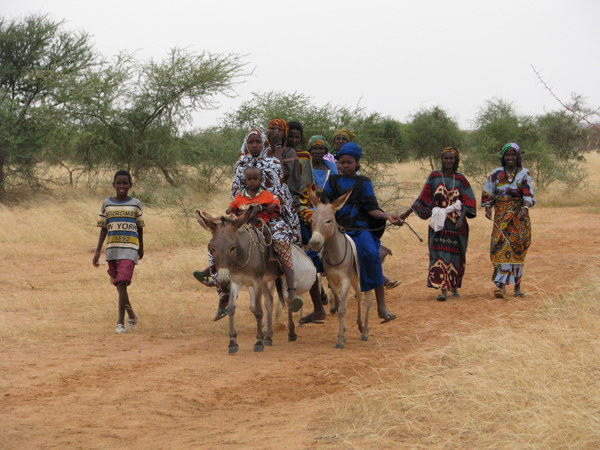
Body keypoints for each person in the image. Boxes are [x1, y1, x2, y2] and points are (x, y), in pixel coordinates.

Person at [319, 142, 400, 323]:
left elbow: (372, 209)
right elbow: (325, 204)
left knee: (371, 255)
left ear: (357, 163)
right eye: (342, 162)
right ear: (337, 163)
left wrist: (387, 215)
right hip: (338, 228)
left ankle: (381, 307)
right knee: (313, 253)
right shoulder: (332, 181)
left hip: (359, 227)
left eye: (349, 162)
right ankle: (318, 303)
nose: (345, 166)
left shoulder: (364, 182)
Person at [399, 147, 476, 301]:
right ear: (442, 160)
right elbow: (423, 198)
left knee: (456, 255)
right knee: (439, 254)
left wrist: (463, 216)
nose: (448, 161)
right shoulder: (434, 176)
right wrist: (405, 214)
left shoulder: (461, 179)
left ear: (456, 161)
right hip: (438, 224)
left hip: (456, 225)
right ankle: (443, 289)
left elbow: (470, 200)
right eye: (445, 158)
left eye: (451, 159)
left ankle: (453, 286)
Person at [227, 165, 303, 311]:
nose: (252, 182)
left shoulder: (266, 194)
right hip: (244, 225)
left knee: (273, 237)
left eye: (255, 179)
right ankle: (216, 270)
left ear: (261, 180)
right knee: (225, 240)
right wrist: (230, 209)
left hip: (262, 223)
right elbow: (233, 204)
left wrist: (269, 207)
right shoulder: (240, 195)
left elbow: (275, 201)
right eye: (249, 179)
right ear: (245, 180)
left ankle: (290, 289)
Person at [93, 170, 144, 333]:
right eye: (119, 183)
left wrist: (141, 247)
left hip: (130, 248)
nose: (122, 186)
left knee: (122, 283)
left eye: (125, 183)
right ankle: (132, 315)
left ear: (130, 185)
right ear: (113, 184)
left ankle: (120, 323)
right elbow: (103, 228)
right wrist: (98, 251)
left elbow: (139, 227)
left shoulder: (136, 203)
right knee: (119, 286)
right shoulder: (107, 203)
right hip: (112, 248)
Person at [481, 142, 535, 298]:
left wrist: (524, 209)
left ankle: (517, 288)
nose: (510, 158)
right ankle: (501, 287)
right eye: (507, 155)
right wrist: (488, 208)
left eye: (513, 155)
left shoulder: (524, 174)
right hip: (501, 217)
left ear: (518, 157)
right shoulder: (496, 174)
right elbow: (488, 193)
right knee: (499, 248)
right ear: (503, 157)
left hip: (519, 217)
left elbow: (528, 195)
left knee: (518, 250)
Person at [266, 118, 306, 200]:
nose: (275, 132)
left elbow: (280, 174)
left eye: (280, 130)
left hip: (286, 196)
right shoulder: (262, 151)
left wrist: (277, 145)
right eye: (272, 129)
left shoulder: (289, 152)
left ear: (285, 134)